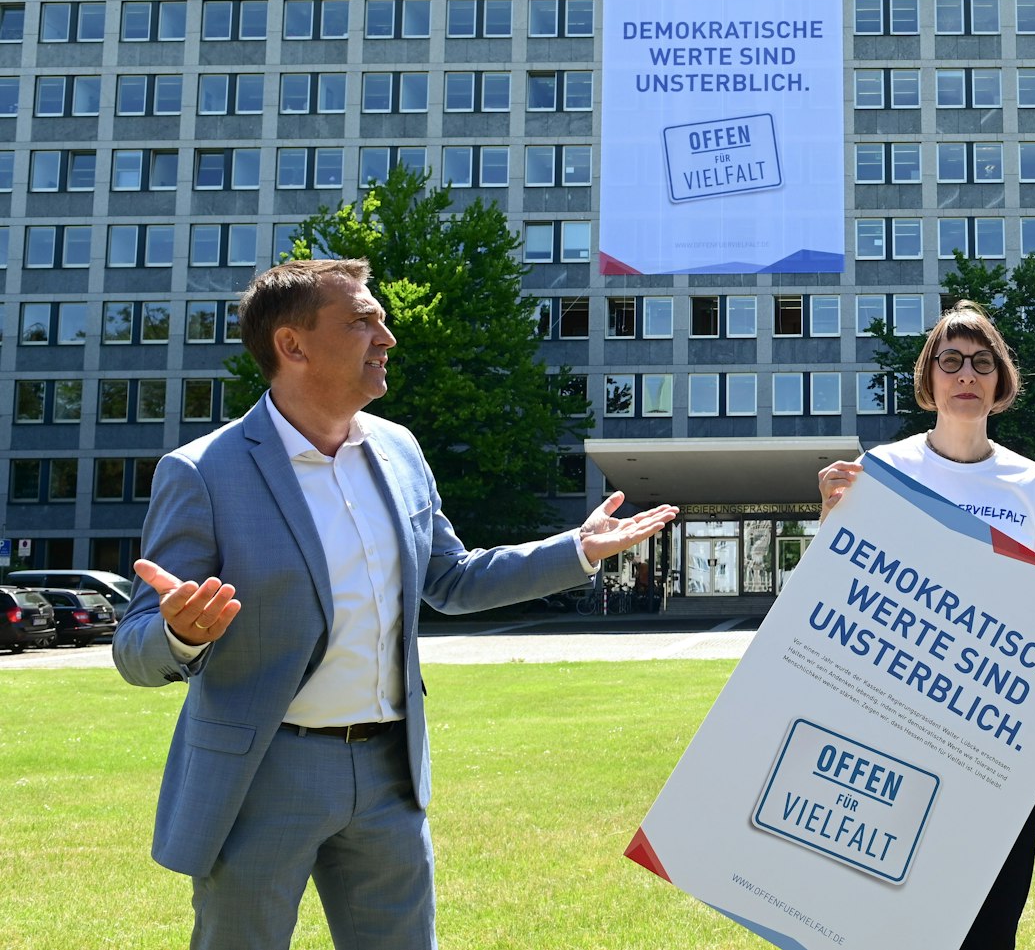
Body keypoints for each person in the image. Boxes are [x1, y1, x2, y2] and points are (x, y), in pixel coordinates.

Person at [112, 258, 677, 949]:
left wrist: (578, 549)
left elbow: (453, 578)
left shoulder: (400, 450)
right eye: (362, 321)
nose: (387, 338)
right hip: (263, 775)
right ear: (292, 345)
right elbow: (134, 644)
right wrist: (179, 634)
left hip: (388, 772)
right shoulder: (202, 472)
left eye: (381, 319)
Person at [817, 301, 1035, 950]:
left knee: (995, 914)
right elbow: (841, 587)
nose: (967, 372)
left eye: (982, 362)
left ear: (1000, 382)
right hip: (901, 722)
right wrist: (829, 516)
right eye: (951, 360)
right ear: (929, 377)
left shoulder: (1033, 485)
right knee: (896, 910)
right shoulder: (884, 470)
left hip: (1002, 734)